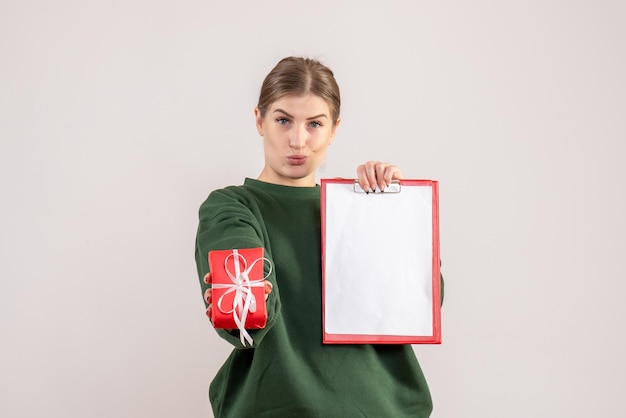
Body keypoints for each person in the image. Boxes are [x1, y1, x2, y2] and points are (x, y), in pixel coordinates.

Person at [195, 56, 441, 417]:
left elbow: (421, 303)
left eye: (314, 124)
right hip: (279, 407)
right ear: (259, 120)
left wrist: (393, 212)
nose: (298, 140)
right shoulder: (233, 206)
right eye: (283, 120)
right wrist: (240, 299)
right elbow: (243, 293)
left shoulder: (363, 207)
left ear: (334, 129)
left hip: (383, 406)